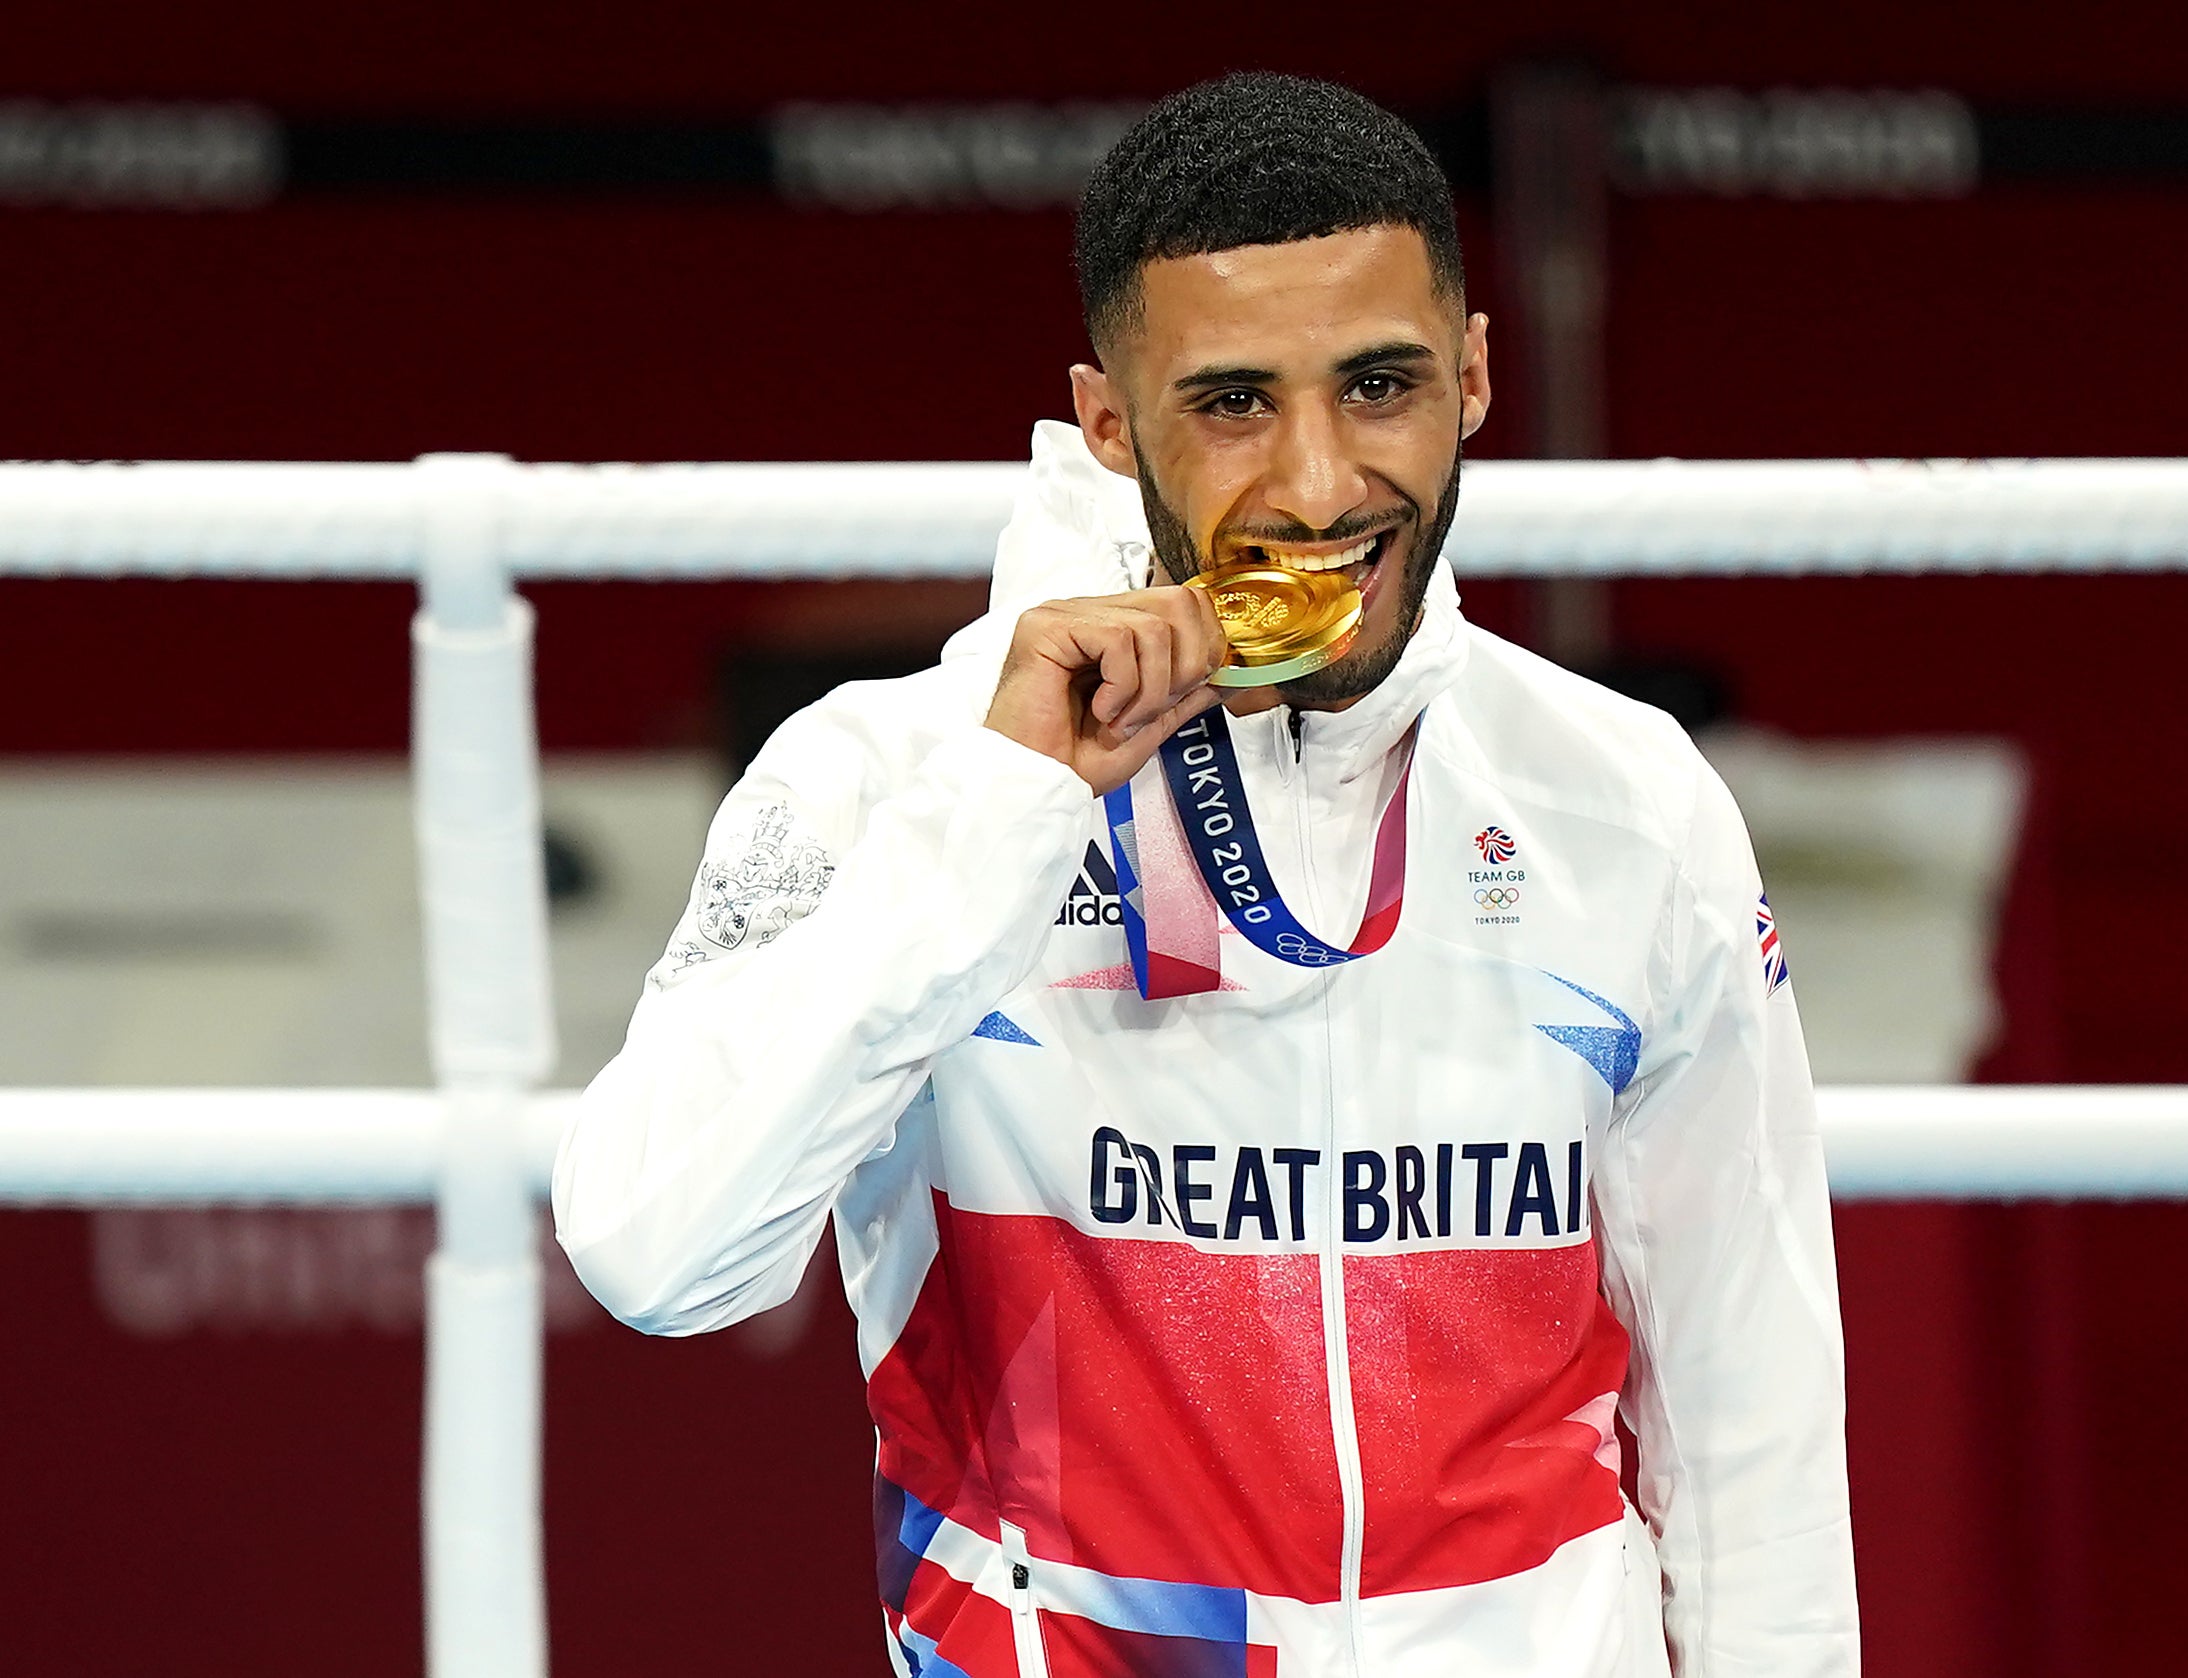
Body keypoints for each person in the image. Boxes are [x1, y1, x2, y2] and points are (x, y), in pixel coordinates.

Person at [555, 71, 1857, 1678]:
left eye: (1378, 384)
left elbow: (1753, 1416)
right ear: (1110, 425)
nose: (1318, 483)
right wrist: (1005, 808)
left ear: (1473, 377)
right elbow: (656, 1250)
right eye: (1234, 402)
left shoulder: (1625, 798)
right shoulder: (889, 776)